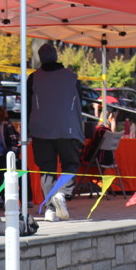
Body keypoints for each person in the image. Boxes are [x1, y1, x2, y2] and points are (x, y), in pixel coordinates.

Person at [28, 43, 82, 221]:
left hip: (40, 129)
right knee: (71, 164)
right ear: (56, 56)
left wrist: (27, 129)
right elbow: (80, 101)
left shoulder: (34, 78)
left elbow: (27, 105)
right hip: (68, 128)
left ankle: (50, 209)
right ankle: (62, 193)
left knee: (46, 170)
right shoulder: (71, 76)